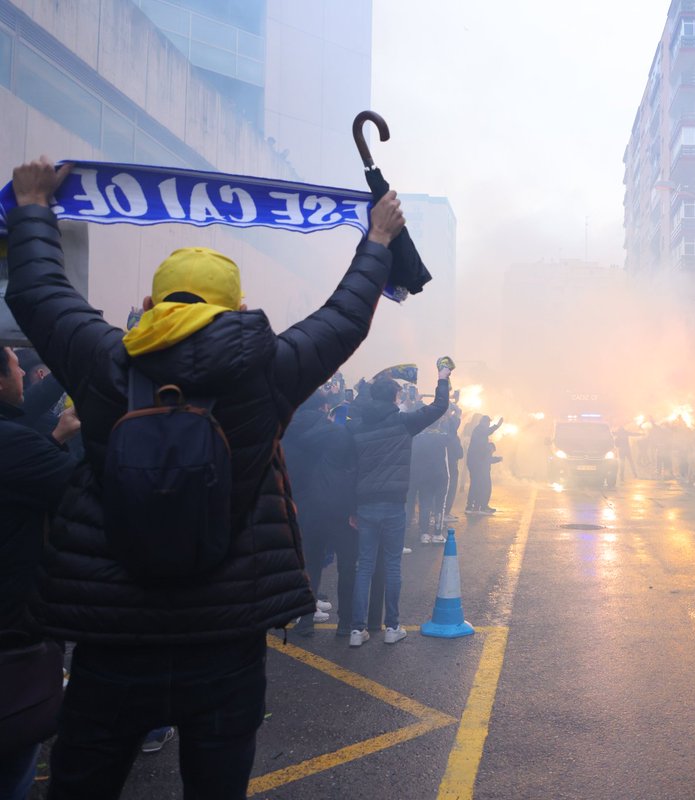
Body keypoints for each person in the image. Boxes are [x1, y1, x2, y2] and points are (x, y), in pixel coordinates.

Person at [2, 156, 408, 799]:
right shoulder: (267, 371)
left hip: (114, 638)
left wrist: (31, 207)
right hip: (226, 642)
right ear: (238, 308)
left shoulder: (104, 361)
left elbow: (39, 294)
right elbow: (343, 319)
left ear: (147, 305)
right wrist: (377, 241)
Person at [0, 346, 79, 800]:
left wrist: (53, 438)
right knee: (13, 767)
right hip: (12, 632)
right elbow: (87, 492)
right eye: (16, 369)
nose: (26, 379)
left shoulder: (20, 442)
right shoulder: (15, 444)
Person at [348, 367, 451, 647]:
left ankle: (356, 630)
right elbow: (440, 406)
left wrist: (352, 508)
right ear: (395, 397)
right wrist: (442, 377)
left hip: (365, 503)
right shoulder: (403, 423)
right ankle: (392, 626)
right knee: (392, 565)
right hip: (394, 503)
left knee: (364, 566)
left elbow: (351, 468)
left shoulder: (357, 424)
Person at [282, 390, 359, 638]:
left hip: (303, 507)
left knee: (310, 565)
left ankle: (305, 622)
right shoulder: (337, 432)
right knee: (347, 566)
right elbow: (351, 468)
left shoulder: (286, 434)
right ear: (324, 407)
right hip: (337, 507)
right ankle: (345, 623)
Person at [466, 414, 503, 514]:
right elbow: (487, 432)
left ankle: (475, 506)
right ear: (483, 422)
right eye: (488, 423)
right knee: (484, 485)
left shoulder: (479, 432)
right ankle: (480, 507)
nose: (488, 425)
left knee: (477, 484)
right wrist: (497, 426)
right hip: (477, 463)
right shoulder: (480, 430)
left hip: (476, 462)